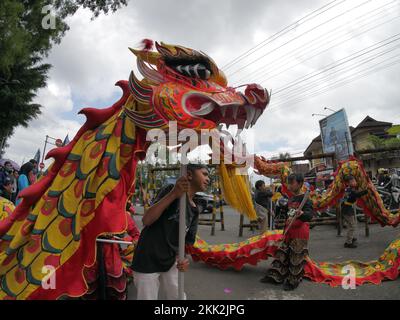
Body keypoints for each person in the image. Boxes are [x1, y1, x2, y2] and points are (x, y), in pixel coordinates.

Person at [131, 163, 210, 300]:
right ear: (189, 175)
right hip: (147, 258)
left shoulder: (194, 209)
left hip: (171, 261)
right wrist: (174, 194)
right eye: (204, 174)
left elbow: (187, 242)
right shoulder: (170, 190)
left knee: (178, 296)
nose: (208, 179)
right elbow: (147, 219)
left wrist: (184, 259)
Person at [260, 173, 314, 291]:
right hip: (288, 231)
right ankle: (276, 277)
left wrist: (302, 214)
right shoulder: (291, 198)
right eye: (288, 182)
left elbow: (310, 216)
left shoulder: (306, 199)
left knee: (296, 258)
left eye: (292, 183)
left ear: (300, 184)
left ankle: (293, 281)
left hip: (300, 233)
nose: (289, 185)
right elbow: (287, 216)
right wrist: (284, 231)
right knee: (281, 255)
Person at [341, 175, 368, 248]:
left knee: (351, 225)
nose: (354, 182)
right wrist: (366, 191)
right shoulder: (350, 190)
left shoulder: (348, 189)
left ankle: (351, 237)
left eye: (354, 180)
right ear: (347, 183)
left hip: (347, 208)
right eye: (352, 181)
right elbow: (356, 195)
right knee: (352, 226)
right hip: (347, 209)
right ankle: (348, 243)